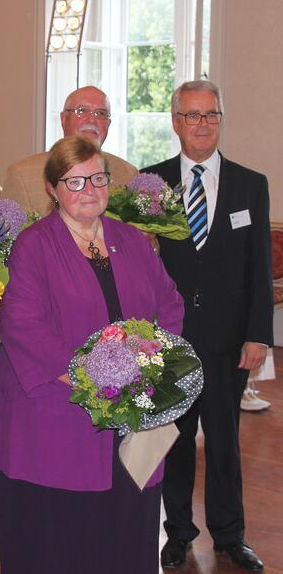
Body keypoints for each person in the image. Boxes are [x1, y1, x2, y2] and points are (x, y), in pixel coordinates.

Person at [0, 136, 184, 573]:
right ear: (52, 188)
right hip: (55, 422)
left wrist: (152, 364)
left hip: (131, 415)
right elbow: (24, 326)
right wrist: (97, 377)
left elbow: (169, 305)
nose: (89, 190)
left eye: (98, 178)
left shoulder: (132, 240)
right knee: (62, 545)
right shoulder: (33, 245)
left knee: (124, 538)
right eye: (75, 181)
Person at [145, 80, 272, 571]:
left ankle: (230, 534)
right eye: (193, 115)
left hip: (228, 341)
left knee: (224, 442)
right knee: (174, 439)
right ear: (176, 122)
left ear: (221, 119)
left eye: (211, 115)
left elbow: (259, 266)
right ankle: (177, 531)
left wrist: (258, 333)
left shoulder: (249, 184)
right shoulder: (151, 186)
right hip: (171, 340)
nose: (202, 124)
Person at [1, 86, 138, 215]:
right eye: (82, 111)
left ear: (108, 124)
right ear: (63, 119)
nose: (92, 119)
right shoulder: (22, 175)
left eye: (101, 113)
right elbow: (9, 238)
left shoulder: (128, 174)